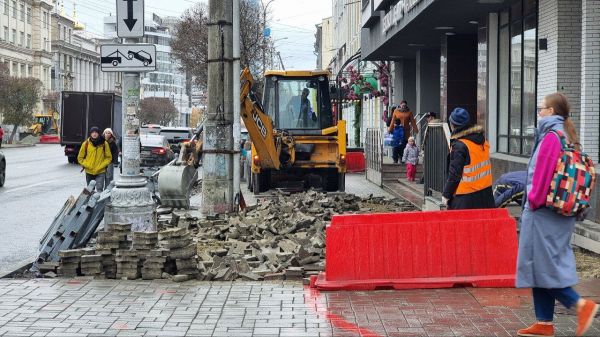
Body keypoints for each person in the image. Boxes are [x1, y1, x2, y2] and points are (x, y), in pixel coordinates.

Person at [516, 93, 598, 337]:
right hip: (559, 212)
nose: (539, 113)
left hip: (543, 212)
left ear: (551, 111)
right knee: (539, 265)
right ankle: (544, 323)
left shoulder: (551, 137)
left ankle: (581, 305)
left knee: (543, 266)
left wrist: (532, 202)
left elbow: (541, 176)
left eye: (541, 109)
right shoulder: (565, 135)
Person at [441, 107, 494, 210]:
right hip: (486, 195)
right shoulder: (482, 141)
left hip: (465, 198)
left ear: (452, 124)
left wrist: (446, 195)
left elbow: (454, 174)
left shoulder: (460, 145)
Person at [77, 126, 112, 192]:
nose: (94, 134)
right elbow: (80, 158)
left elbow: (108, 157)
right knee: (90, 190)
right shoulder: (86, 144)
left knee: (99, 189)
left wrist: (102, 165)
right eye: (93, 132)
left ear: (99, 133)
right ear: (90, 134)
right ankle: (91, 202)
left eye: (96, 132)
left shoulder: (104, 143)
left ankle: (99, 202)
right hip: (89, 171)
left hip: (100, 171)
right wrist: (87, 165)